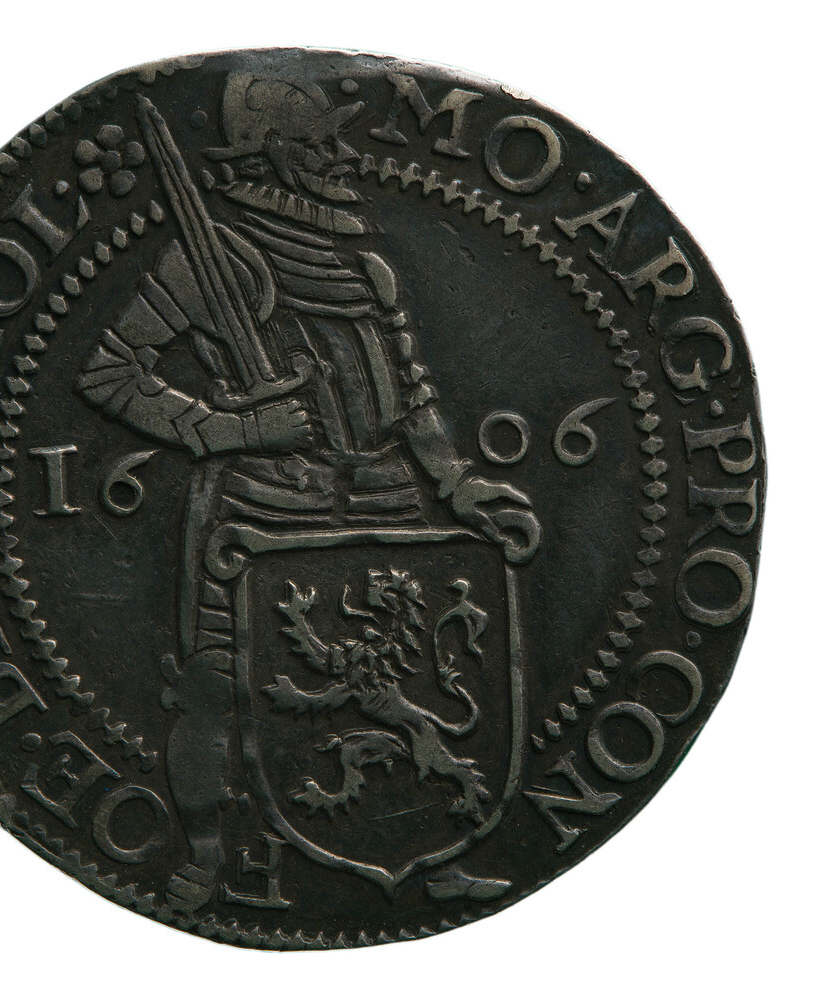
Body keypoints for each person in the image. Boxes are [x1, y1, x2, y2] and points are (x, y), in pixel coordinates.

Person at [76, 73, 539, 913]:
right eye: (318, 142)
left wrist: (455, 480)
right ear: (273, 156)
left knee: (410, 688)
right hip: (265, 504)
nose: (339, 156)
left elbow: (411, 393)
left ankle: (434, 854)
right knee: (215, 688)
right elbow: (110, 371)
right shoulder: (218, 260)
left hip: (388, 499)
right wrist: (229, 429)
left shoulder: (366, 267)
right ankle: (205, 863)